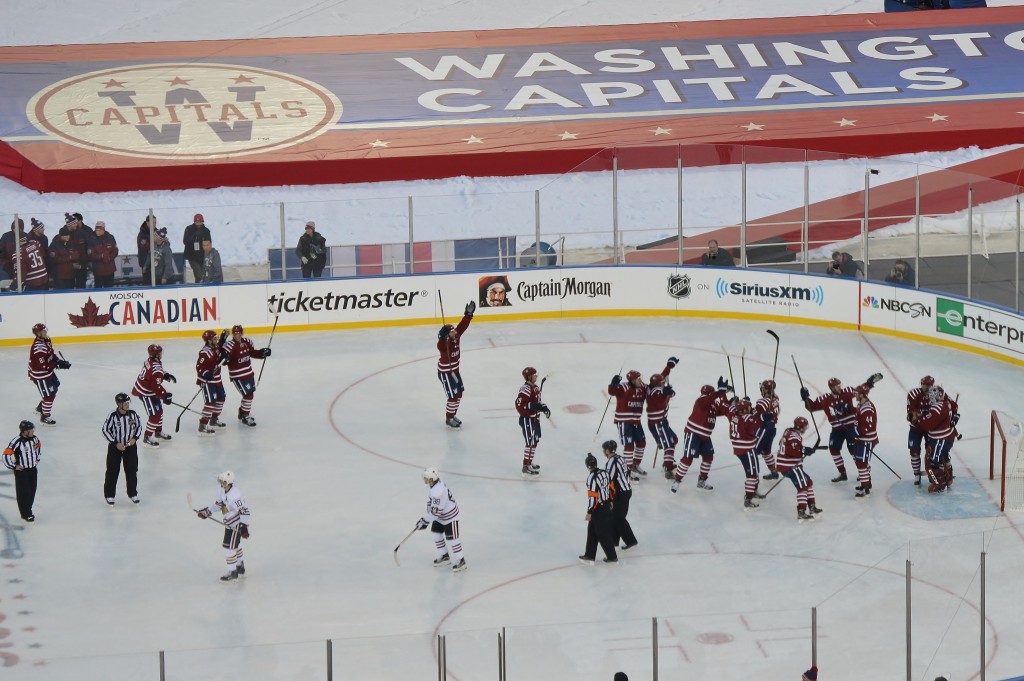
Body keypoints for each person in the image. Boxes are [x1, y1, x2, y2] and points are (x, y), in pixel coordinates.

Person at [670, 377, 732, 493]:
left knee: (708, 457)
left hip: (705, 436)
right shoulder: (701, 400)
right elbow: (710, 399)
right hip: (694, 433)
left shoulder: (712, 404)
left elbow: (723, 410)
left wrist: (730, 402)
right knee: (687, 459)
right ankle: (677, 481)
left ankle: (702, 481)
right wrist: (720, 391)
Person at [195, 470, 251, 582]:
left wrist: (243, 527)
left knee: (230, 549)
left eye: (224, 482)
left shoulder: (235, 495)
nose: (221, 483)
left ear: (229, 482)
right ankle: (240, 566)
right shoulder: (222, 491)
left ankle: (232, 572)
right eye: (221, 481)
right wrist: (207, 512)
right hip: (229, 524)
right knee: (236, 545)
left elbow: (245, 511)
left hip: (237, 525)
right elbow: (219, 505)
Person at [802, 377, 858, 483]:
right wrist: (806, 399)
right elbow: (812, 407)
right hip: (837, 429)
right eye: (836, 386)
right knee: (833, 449)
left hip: (850, 427)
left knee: (853, 450)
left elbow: (860, 394)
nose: (839, 387)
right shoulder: (824, 399)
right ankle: (842, 473)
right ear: (831, 387)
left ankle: (862, 471)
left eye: (839, 385)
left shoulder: (848, 392)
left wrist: (849, 407)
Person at [414, 467, 467, 572]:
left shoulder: (438, 491)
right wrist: (426, 518)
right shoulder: (434, 485)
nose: (425, 480)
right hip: (440, 516)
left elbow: (435, 512)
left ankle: (461, 561)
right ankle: (445, 556)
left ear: (432, 478)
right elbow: (432, 504)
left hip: (450, 517)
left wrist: (424, 521)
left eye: (427, 478)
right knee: (435, 533)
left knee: (452, 539)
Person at [222, 325, 271, 427]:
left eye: (239, 333)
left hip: (248, 373)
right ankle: (245, 416)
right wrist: (225, 360)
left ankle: (242, 412)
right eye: (235, 334)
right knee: (248, 395)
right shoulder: (229, 346)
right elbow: (224, 359)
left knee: (249, 394)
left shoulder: (247, 342)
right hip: (238, 376)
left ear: (242, 333)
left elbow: (253, 353)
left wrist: (262, 353)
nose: (237, 335)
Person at [437, 302, 475, 428]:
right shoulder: (443, 344)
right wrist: (443, 338)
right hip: (446, 373)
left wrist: (468, 314)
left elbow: (462, 326)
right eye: (451, 332)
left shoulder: (456, 337)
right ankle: (449, 418)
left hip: (455, 371)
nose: (454, 333)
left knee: (459, 394)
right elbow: (440, 345)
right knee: (453, 396)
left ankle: (453, 415)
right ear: (446, 335)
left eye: (454, 331)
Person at [130, 343, 176, 447]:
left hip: (147, 389)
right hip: (146, 393)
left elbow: (155, 372)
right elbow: (156, 386)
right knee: (155, 415)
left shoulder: (151, 361)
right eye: (159, 353)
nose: (161, 354)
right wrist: (165, 395)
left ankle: (158, 432)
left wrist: (165, 375)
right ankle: (147, 437)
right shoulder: (156, 369)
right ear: (155, 355)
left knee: (159, 411)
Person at [916, 385, 960, 493]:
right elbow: (954, 405)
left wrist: (917, 420)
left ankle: (940, 484)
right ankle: (947, 478)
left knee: (932, 462)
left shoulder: (937, 408)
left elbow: (927, 425)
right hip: (947, 438)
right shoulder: (946, 403)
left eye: (931, 396)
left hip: (941, 439)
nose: (929, 398)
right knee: (943, 456)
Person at [777, 417, 821, 521]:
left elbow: (786, 445)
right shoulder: (794, 437)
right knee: (803, 487)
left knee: (808, 481)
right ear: (800, 427)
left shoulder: (788, 431)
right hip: (790, 466)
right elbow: (792, 450)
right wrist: (804, 450)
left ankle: (812, 506)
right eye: (805, 427)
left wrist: (803, 449)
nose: (805, 429)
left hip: (787, 465)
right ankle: (801, 512)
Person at [101, 393, 142, 506]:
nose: (128, 405)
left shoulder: (133, 414)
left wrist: (134, 438)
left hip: (130, 447)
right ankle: (109, 495)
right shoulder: (113, 416)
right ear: (119, 404)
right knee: (112, 471)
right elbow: (105, 430)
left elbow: (139, 426)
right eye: (125, 403)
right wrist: (115, 443)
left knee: (132, 470)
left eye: (128, 402)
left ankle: (132, 493)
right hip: (116, 447)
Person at [28, 323, 70, 426]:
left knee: (55, 386)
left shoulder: (46, 339)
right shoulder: (38, 349)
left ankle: (40, 408)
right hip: (40, 375)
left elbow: (51, 355)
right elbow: (43, 366)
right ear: (38, 333)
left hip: (47, 372)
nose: (45, 332)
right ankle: (44, 417)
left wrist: (59, 361)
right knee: (49, 396)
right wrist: (58, 365)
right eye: (43, 331)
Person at [608, 369, 647, 475]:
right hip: (624, 421)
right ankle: (627, 470)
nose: (640, 380)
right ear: (632, 381)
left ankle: (635, 465)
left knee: (641, 443)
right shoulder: (623, 387)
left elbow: (652, 390)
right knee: (629, 445)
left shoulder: (643, 387)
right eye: (638, 379)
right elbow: (612, 392)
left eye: (640, 378)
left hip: (636, 421)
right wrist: (613, 383)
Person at [579, 453, 617, 564]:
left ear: (587, 466)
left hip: (598, 508)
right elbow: (612, 487)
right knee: (591, 530)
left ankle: (612, 557)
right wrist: (610, 500)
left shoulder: (591, 477)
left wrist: (590, 512)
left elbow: (593, 497)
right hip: (605, 505)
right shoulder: (604, 473)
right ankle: (590, 555)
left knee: (602, 533)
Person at [645, 357, 679, 478]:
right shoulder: (657, 391)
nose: (663, 382)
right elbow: (666, 392)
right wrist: (668, 392)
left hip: (660, 421)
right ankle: (668, 469)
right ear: (658, 384)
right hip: (658, 422)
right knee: (669, 444)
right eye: (662, 382)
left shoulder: (651, 387)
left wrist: (669, 366)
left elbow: (662, 376)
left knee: (674, 439)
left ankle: (667, 462)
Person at [3, 420, 42, 522]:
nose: (33, 431)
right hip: (22, 471)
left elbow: (38, 447)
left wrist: (37, 458)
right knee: (23, 493)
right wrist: (13, 466)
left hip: (33, 469)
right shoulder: (16, 441)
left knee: (32, 491)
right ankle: (26, 514)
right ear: (24, 431)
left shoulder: (35, 439)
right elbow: (5, 455)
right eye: (30, 430)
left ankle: (27, 510)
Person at [728, 397, 763, 509]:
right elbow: (757, 424)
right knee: (752, 474)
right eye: (749, 406)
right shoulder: (748, 418)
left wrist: (734, 402)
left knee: (755, 470)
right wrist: (760, 415)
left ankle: (753, 491)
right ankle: (748, 500)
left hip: (740, 448)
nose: (751, 407)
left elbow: (731, 408)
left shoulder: (733, 414)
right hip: (746, 449)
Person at [602, 440, 637, 551]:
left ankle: (631, 541)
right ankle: (614, 541)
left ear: (607, 450)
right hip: (626, 490)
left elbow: (609, 480)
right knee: (614, 517)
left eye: (604, 449)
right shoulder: (621, 458)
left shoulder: (611, 462)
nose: (603, 451)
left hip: (620, 493)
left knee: (618, 518)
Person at [514, 366, 549, 477]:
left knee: (534, 442)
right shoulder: (526, 389)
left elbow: (537, 402)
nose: (536, 376)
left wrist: (544, 407)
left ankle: (529, 462)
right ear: (529, 376)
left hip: (535, 419)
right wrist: (533, 406)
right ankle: (525, 466)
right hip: (527, 419)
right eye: (534, 374)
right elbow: (519, 404)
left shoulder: (535, 387)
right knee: (530, 442)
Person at [196, 330, 228, 435]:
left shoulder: (215, 347)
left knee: (221, 398)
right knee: (210, 402)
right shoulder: (205, 352)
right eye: (214, 338)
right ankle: (203, 425)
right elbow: (199, 366)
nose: (216, 340)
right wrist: (205, 373)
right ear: (209, 341)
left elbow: (220, 346)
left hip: (217, 378)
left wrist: (223, 338)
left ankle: (214, 419)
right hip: (207, 380)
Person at [905, 375, 934, 485]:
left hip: (929, 428)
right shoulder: (913, 394)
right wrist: (916, 417)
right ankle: (917, 474)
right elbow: (911, 414)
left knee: (931, 452)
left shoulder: (935, 394)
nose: (924, 387)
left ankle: (933, 473)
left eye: (927, 385)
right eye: (923, 384)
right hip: (915, 428)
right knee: (914, 451)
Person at [852, 383, 879, 498]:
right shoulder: (860, 405)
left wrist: (856, 432)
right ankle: (867, 482)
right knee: (859, 461)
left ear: (862, 395)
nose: (855, 395)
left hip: (867, 440)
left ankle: (865, 487)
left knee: (861, 463)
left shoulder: (867, 408)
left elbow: (868, 427)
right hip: (861, 439)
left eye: (857, 393)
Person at [755, 379, 781, 480]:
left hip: (764, 429)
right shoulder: (775, 398)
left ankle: (753, 477)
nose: (761, 389)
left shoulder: (761, 402)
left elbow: (756, 416)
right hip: (772, 429)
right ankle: (774, 472)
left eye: (762, 388)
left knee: (753, 451)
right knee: (766, 452)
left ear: (765, 390)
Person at [14, 222, 49, 291]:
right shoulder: (35, 243)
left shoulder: (18, 253)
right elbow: (43, 254)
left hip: (32, 280)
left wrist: (15, 283)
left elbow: (21, 270)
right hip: (43, 276)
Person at [63, 212, 94, 289]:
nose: (76, 224)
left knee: (81, 287)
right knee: (69, 287)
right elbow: (61, 250)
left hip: (82, 266)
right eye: (74, 223)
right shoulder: (63, 233)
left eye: (76, 222)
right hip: (69, 267)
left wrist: (87, 262)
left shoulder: (83, 233)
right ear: (69, 225)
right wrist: (70, 262)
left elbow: (88, 247)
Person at [87, 220, 119, 288]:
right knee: (98, 287)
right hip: (98, 270)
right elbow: (91, 254)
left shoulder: (111, 237)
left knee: (109, 287)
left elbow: (115, 250)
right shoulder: (91, 239)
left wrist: (109, 257)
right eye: (96, 230)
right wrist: (101, 256)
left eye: (99, 230)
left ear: (103, 230)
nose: (97, 231)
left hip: (110, 268)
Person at [182, 213, 211, 283]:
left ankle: (199, 288)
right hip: (192, 257)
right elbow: (185, 241)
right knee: (199, 275)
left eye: (200, 222)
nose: (198, 224)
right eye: (197, 222)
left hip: (202, 256)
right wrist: (195, 236)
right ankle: (199, 288)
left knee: (203, 276)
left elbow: (209, 243)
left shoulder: (206, 231)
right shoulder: (189, 229)